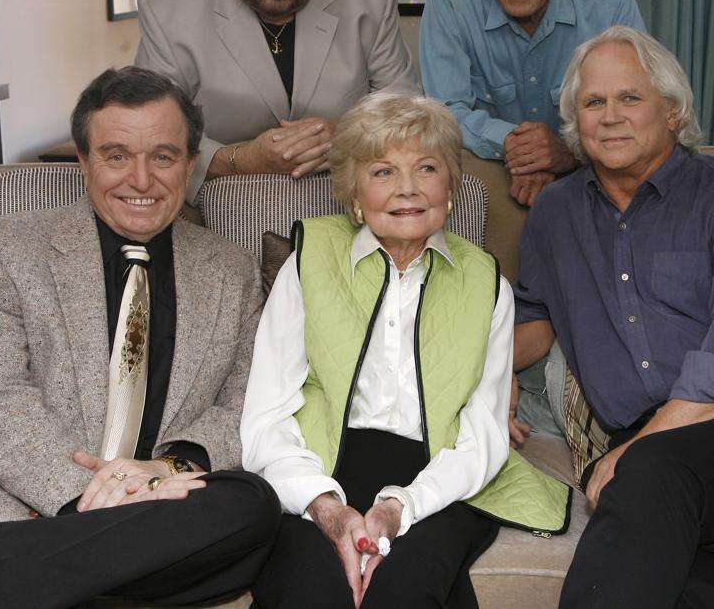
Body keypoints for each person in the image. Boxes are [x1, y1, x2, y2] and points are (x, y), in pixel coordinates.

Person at [0, 67, 280, 608]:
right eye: (115, 156)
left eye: (162, 156)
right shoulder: (9, 250)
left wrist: (163, 469)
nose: (140, 180)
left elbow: (246, 404)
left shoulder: (233, 270)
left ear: (189, 164)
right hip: (10, 488)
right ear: (83, 162)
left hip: (160, 493)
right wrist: (88, 497)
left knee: (252, 506)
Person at [511, 26, 714, 607]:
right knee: (679, 589)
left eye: (630, 98)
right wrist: (481, 383)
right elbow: (533, 322)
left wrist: (633, 451)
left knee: (648, 476)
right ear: (575, 123)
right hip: (658, 464)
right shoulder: (556, 214)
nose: (611, 116)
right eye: (594, 102)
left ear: (672, 111)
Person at [241, 93, 570, 608]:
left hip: (439, 477)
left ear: (452, 187)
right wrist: (324, 505)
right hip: (321, 463)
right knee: (309, 591)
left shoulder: (486, 283)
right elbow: (266, 414)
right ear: (354, 194)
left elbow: (483, 433)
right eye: (383, 172)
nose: (408, 189)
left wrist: (403, 505)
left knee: (406, 592)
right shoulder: (306, 265)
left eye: (426, 167)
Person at [136, 0, 419, 204]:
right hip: (222, 198)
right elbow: (150, 129)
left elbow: (406, 110)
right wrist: (240, 160)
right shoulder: (168, 7)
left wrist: (347, 137)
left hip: (349, 197)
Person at [420, 0, 646, 208]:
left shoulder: (610, 4)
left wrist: (568, 151)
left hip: (591, 177)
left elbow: (637, 113)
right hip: (485, 180)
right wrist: (514, 145)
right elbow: (443, 112)